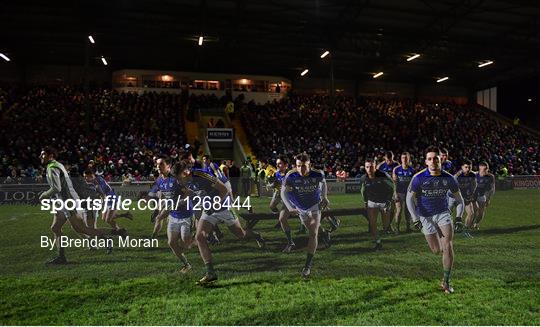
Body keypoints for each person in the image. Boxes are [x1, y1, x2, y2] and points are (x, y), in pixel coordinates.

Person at [172, 160, 265, 285]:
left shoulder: (201, 175)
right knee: (200, 237)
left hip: (224, 207)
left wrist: (213, 206)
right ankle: (210, 273)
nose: (178, 181)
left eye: (178, 178)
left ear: (185, 173)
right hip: (209, 210)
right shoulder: (187, 182)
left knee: (241, 235)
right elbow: (193, 193)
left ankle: (257, 236)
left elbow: (224, 190)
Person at [38, 147, 113, 264]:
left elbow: (56, 187)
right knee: (55, 228)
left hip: (68, 201)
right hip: (63, 201)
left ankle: (106, 238)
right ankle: (61, 257)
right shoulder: (56, 165)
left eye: (43, 154)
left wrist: (44, 195)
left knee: (81, 228)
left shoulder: (52, 167)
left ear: (51, 155)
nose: (40, 157)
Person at [406, 146, 465, 294]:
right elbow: (409, 199)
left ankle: (446, 281)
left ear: (441, 160)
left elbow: (459, 199)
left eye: (436, 159)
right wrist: (415, 218)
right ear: (426, 161)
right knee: (436, 250)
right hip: (425, 216)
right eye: (430, 159)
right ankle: (439, 241)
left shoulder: (449, 178)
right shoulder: (418, 178)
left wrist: (458, 217)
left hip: (443, 213)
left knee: (448, 246)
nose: (433, 161)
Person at [281, 153, 329, 278]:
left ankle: (307, 266)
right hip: (300, 208)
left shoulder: (317, 174)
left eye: (304, 166)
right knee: (312, 231)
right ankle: (325, 233)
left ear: (310, 165)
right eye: (298, 166)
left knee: (313, 234)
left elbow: (324, 183)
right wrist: (290, 208)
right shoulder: (291, 175)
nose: (301, 169)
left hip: (314, 205)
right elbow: (283, 193)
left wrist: (324, 196)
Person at [152, 157, 195, 273]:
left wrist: (182, 202)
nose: (158, 167)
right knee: (171, 242)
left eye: (161, 165)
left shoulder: (176, 178)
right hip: (173, 215)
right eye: (157, 165)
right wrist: (159, 209)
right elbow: (163, 197)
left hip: (186, 215)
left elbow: (189, 193)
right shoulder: (159, 181)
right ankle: (186, 265)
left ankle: (200, 236)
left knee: (186, 245)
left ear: (168, 166)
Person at [83, 169, 133, 235]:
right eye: (85, 177)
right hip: (108, 200)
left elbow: (102, 194)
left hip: (112, 199)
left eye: (87, 177)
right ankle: (121, 225)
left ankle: (119, 231)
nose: (86, 178)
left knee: (108, 219)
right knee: (104, 218)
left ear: (91, 175)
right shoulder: (95, 180)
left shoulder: (98, 181)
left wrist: (99, 204)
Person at [360, 158, 394, 249]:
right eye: (367, 167)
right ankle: (378, 241)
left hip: (384, 202)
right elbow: (363, 191)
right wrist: (365, 201)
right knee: (372, 223)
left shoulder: (383, 175)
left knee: (385, 225)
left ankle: (387, 228)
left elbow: (392, 187)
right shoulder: (363, 178)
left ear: (375, 167)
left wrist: (389, 200)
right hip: (372, 202)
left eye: (371, 167)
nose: (369, 169)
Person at [268, 156, 295, 252]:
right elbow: (276, 182)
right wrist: (271, 185)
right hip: (280, 194)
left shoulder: (291, 175)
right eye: (277, 163)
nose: (277, 165)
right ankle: (290, 242)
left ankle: (290, 242)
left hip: (290, 198)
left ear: (286, 165)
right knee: (272, 207)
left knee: (283, 219)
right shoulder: (277, 173)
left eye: (279, 163)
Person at [392, 152, 416, 233]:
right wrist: (395, 193)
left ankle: (408, 227)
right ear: (401, 159)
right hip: (399, 193)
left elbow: (414, 183)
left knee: (408, 210)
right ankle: (397, 228)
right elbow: (394, 182)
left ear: (409, 159)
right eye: (403, 158)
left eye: (406, 158)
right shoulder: (396, 169)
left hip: (408, 194)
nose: (404, 160)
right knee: (399, 210)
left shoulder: (412, 170)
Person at [452, 160, 477, 229]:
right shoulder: (457, 176)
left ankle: (466, 228)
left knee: (471, 213)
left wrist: (471, 194)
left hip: (466, 196)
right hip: (455, 196)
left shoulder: (472, 175)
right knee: (448, 213)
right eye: (466, 167)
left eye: (470, 167)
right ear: (462, 167)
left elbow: (474, 185)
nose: (468, 169)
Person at [473, 161, 495, 230]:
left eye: (486, 169)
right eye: (484, 169)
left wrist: (488, 199)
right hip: (473, 196)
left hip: (482, 195)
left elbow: (492, 189)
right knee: (474, 210)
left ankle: (476, 223)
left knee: (481, 212)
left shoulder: (490, 176)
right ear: (479, 168)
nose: (485, 170)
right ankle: (470, 224)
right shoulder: (474, 174)